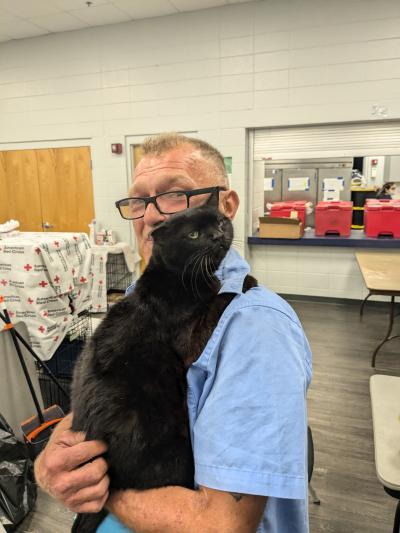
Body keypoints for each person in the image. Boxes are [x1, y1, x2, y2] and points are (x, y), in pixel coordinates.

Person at [34, 133, 312, 533]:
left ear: (226, 206)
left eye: (175, 195)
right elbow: (106, 395)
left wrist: (107, 487)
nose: (152, 217)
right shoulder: (148, 295)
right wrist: (50, 460)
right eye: (138, 202)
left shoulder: (253, 327)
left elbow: (221, 525)